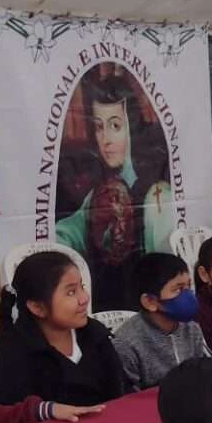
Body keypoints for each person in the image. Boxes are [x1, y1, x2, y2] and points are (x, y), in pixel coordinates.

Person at [54, 67, 175, 309]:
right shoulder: (101, 190)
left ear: (133, 128)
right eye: (99, 127)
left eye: (115, 126)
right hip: (101, 307)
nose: (105, 139)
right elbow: (69, 232)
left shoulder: (156, 195)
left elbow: (163, 271)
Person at [0, 251, 126, 409]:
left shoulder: (95, 335)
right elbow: (12, 420)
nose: (84, 298)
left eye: (82, 286)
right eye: (71, 292)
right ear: (37, 307)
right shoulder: (15, 355)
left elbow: (119, 395)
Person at [111, 252, 212, 391]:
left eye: (188, 287)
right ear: (150, 301)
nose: (187, 295)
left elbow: (205, 370)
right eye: (177, 289)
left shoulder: (191, 328)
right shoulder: (127, 343)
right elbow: (127, 397)